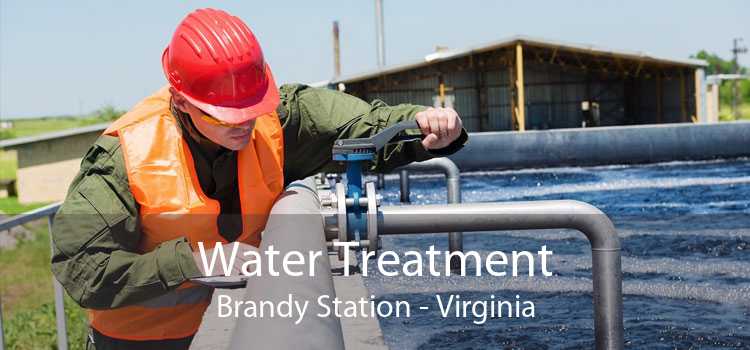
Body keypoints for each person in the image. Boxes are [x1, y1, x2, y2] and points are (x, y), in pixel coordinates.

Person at [51, 8, 467, 349]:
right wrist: (195, 262)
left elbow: (364, 125)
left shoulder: (278, 118)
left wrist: (425, 128)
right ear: (181, 101)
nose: (245, 125)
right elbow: (82, 268)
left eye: (252, 108)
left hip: (240, 320)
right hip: (138, 343)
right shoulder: (123, 156)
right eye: (227, 116)